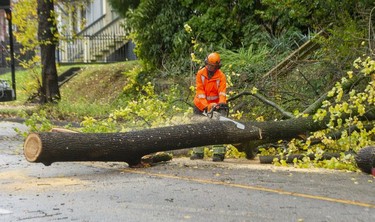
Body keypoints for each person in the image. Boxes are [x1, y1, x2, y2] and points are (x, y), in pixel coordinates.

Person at [190, 52, 227, 162]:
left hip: (216, 105)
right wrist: (206, 106)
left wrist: (221, 104)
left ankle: (218, 153)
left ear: (217, 66)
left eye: (212, 66)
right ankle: (198, 151)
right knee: (198, 126)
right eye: (208, 64)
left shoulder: (221, 76)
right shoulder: (200, 74)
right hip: (200, 104)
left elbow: (222, 93)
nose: (209, 67)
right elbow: (200, 92)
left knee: (218, 127)